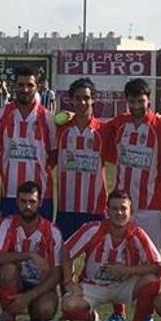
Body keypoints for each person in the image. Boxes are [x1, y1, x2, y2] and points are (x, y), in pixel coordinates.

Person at [98, 78, 161, 321]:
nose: (137, 105)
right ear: (126, 101)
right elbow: (96, 134)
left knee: (151, 262)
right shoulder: (118, 125)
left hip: (153, 205)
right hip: (123, 206)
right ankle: (118, 313)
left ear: (148, 99)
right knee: (119, 257)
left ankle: (146, 314)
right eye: (132, 101)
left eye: (141, 101)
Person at [60, 190, 161, 321]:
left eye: (123, 208)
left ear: (131, 211)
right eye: (114, 209)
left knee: (153, 282)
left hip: (124, 285)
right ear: (107, 211)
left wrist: (127, 271)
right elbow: (67, 250)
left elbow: (157, 265)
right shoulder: (93, 229)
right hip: (93, 284)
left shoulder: (137, 234)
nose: (119, 213)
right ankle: (91, 319)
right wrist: (68, 281)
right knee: (68, 306)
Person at [0, 181, 62, 321]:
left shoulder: (52, 231)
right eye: (23, 201)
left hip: (40, 287)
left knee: (46, 308)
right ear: (17, 202)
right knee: (7, 269)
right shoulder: (7, 224)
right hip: (17, 283)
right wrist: (29, 255)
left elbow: (57, 275)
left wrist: (28, 297)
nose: (27, 206)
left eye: (32, 202)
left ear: (40, 203)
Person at [0, 66, 57, 221]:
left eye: (30, 85)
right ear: (14, 86)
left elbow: (54, 154)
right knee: (8, 239)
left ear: (37, 87)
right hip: (11, 191)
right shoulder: (1, 115)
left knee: (41, 240)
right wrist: (4, 169)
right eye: (21, 85)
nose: (25, 89)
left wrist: (40, 169)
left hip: (41, 193)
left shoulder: (48, 118)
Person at [56, 77, 107, 240]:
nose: (82, 102)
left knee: (95, 256)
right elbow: (49, 120)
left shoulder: (104, 130)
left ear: (93, 100)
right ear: (71, 100)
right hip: (67, 205)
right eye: (77, 98)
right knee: (64, 254)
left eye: (86, 98)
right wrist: (61, 116)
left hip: (95, 207)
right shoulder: (61, 129)